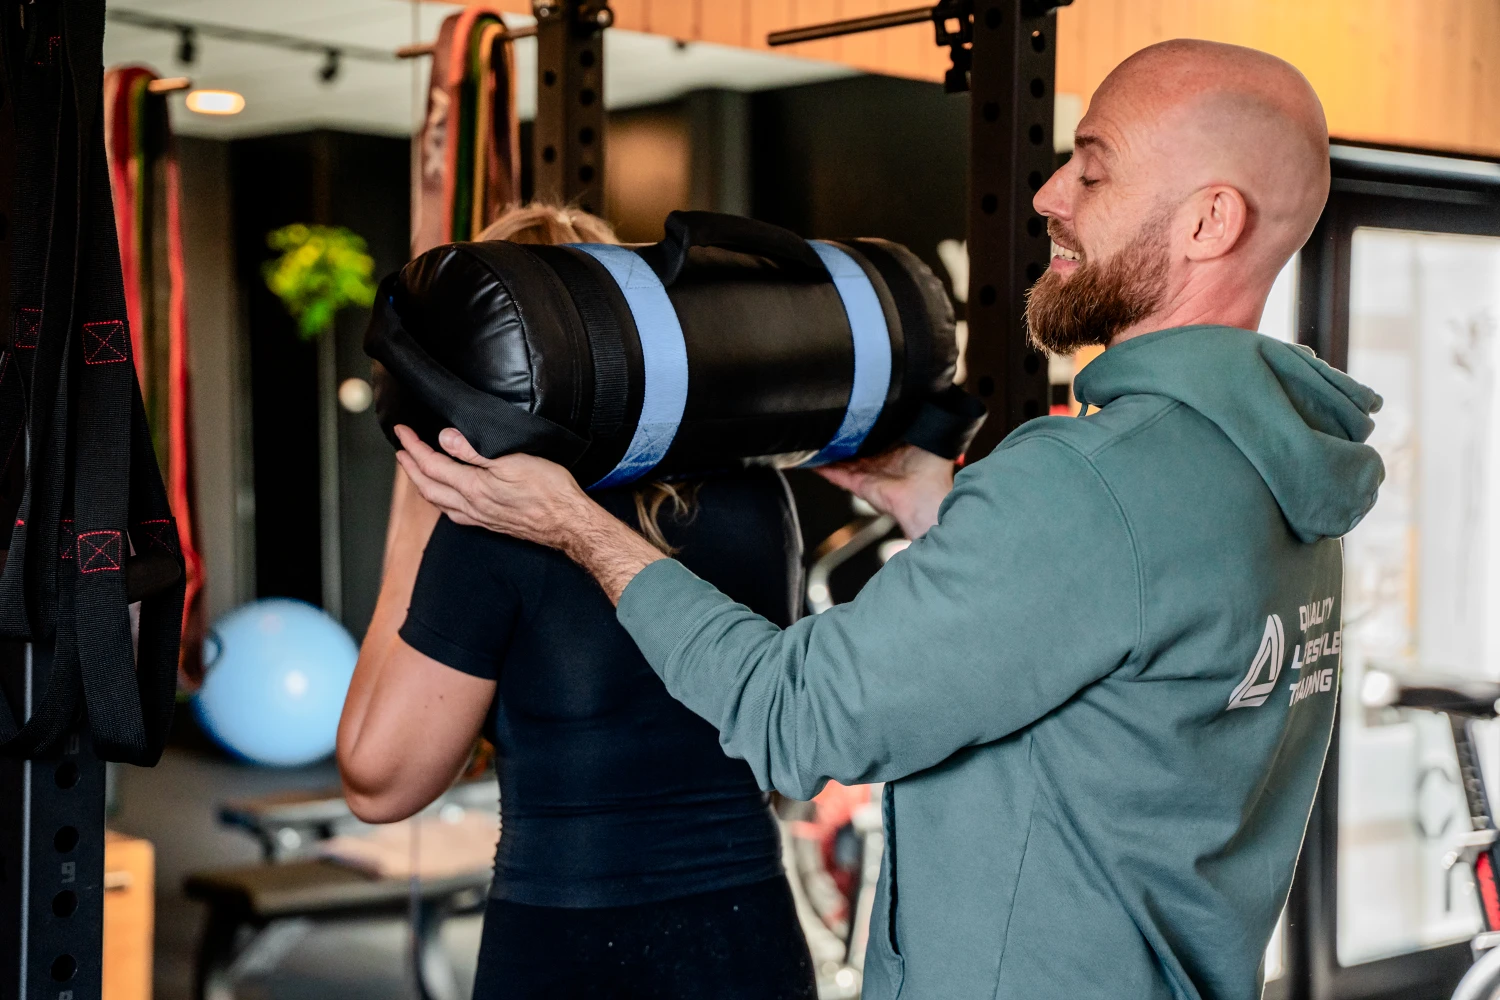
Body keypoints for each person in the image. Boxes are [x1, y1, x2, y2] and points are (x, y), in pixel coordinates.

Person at [394, 40, 1386, 1000]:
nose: (1048, 195)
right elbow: (1129, 620)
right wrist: (934, 503)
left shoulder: (1083, 483)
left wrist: (577, 526)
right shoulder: (1271, 470)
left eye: (1092, 171)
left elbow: (796, 719)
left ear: (1210, 221)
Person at [337, 204, 817, 1000]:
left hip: (571, 950)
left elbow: (379, 782)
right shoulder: (760, 493)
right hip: (751, 941)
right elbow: (781, 765)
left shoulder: (493, 530)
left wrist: (419, 520)